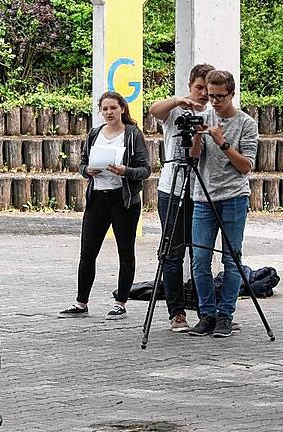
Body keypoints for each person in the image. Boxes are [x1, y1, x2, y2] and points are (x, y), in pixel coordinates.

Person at [58, 91, 151, 320]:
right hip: (97, 198)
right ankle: (81, 302)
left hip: (123, 199)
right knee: (87, 252)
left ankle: (120, 302)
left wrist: (125, 171)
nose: (109, 112)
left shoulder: (132, 135)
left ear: (122, 109)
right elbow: (81, 163)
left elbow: (145, 169)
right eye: (105, 109)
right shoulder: (94, 133)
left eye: (113, 108)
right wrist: (86, 171)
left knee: (125, 252)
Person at [188, 70, 258, 338]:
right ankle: (206, 314)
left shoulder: (246, 123)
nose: (214, 101)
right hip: (203, 197)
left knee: (232, 258)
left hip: (234, 197)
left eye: (220, 97)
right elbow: (193, 159)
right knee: (200, 259)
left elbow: (246, 167)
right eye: (210, 95)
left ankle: (225, 315)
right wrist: (197, 136)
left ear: (231, 94)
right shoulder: (204, 117)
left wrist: (223, 142)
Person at [148, 63, 215, 332]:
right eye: (198, 88)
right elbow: (154, 110)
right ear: (190, 85)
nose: (202, 94)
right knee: (173, 253)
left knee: (200, 254)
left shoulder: (212, 113)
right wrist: (180, 100)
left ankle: (207, 312)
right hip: (172, 187)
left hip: (200, 189)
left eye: (207, 90)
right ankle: (176, 313)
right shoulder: (175, 108)